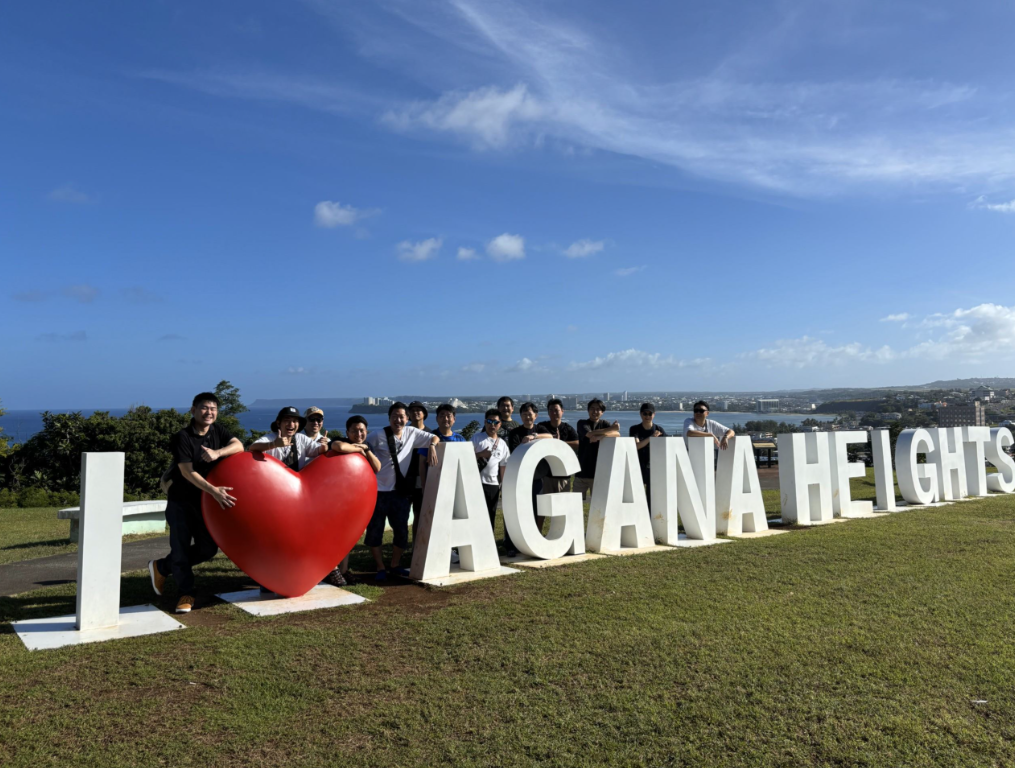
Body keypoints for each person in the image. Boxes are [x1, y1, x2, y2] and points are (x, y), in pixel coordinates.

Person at [148, 392, 244, 614]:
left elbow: (238, 445)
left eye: (213, 409)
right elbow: (187, 472)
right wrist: (214, 491)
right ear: (193, 410)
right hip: (181, 501)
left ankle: (162, 566)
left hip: (204, 502)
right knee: (180, 548)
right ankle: (186, 593)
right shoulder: (182, 437)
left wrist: (218, 452)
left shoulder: (218, 431)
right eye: (204, 408)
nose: (209, 412)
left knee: (208, 549)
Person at [364, 402, 440, 581]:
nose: (398, 420)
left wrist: (432, 446)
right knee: (375, 531)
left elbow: (434, 437)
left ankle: (395, 565)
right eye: (394, 417)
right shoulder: (377, 436)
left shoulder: (412, 433)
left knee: (401, 532)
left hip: (399, 493)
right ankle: (380, 567)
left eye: (401, 417)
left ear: (407, 418)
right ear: (389, 418)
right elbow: (362, 447)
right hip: (378, 492)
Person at [321, 415, 382, 587]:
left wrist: (366, 450)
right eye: (354, 430)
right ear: (347, 432)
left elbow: (377, 467)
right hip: (338, 499)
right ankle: (333, 570)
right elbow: (337, 446)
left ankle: (344, 569)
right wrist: (358, 449)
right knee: (336, 535)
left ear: (366, 431)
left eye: (362, 430)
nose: (358, 433)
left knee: (349, 536)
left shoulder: (366, 446)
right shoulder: (342, 441)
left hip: (356, 498)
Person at [508, 402, 553, 534]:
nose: (527, 417)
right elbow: (514, 451)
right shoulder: (515, 433)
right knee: (523, 507)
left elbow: (550, 436)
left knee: (538, 507)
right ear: (520, 416)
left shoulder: (540, 428)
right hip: (522, 477)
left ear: (536, 416)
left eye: (530, 414)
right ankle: (524, 534)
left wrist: (534, 436)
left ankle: (536, 533)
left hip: (538, 476)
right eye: (524, 414)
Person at [473, 408, 512, 555]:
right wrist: (480, 454)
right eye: (489, 421)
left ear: (500, 424)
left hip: (493, 485)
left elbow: (503, 466)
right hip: (477, 484)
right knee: (476, 515)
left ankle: (487, 546)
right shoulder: (477, 438)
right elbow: (465, 456)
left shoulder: (502, 444)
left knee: (491, 515)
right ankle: (475, 544)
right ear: (485, 422)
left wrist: (502, 486)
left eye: (496, 422)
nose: (492, 425)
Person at [249, 406, 328, 471]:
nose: (291, 424)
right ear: (278, 423)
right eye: (287, 420)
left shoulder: (301, 439)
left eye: (294, 421)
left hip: (295, 486)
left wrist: (324, 445)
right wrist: (274, 444)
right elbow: (253, 447)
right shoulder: (271, 438)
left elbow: (318, 450)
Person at [574, 399, 620, 501]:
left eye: (598, 409)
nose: (595, 411)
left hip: (599, 474)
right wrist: (611, 429)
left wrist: (600, 437)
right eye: (592, 409)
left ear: (602, 412)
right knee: (575, 505)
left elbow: (617, 434)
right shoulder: (581, 423)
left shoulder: (605, 423)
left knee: (599, 507)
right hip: (581, 473)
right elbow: (589, 434)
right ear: (588, 410)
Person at [537, 398, 579, 495]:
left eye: (556, 410)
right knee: (546, 503)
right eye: (551, 410)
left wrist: (560, 442)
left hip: (563, 473)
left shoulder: (567, 428)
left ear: (562, 411)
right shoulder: (542, 426)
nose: (553, 413)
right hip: (546, 473)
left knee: (562, 503)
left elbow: (577, 443)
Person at [405, 401, 429, 548]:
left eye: (419, 410)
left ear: (424, 414)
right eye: (412, 410)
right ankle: (402, 545)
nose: (415, 413)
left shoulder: (430, 434)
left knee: (419, 515)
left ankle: (417, 545)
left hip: (422, 478)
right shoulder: (403, 432)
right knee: (402, 516)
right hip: (405, 478)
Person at [630, 403, 666, 498]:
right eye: (644, 413)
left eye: (650, 414)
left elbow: (666, 447)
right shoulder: (634, 429)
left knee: (652, 496)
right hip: (638, 465)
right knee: (637, 496)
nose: (647, 416)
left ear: (654, 414)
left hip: (654, 466)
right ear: (640, 414)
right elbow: (636, 446)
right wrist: (651, 437)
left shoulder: (659, 429)